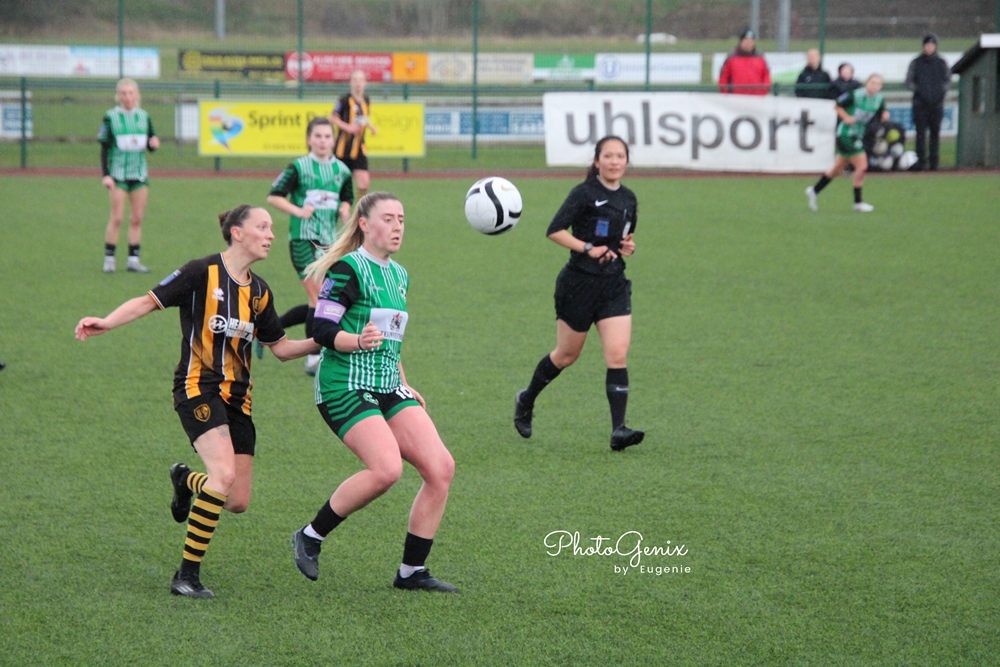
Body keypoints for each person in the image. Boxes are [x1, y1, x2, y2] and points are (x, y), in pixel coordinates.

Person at [75, 205, 320, 599]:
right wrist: (106, 321)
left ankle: (185, 479)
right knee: (222, 477)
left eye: (272, 228)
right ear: (237, 232)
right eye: (262, 227)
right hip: (197, 388)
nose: (271, 234)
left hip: (238, 400)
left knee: (236, 500)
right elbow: (147, 300)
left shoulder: (260, 292)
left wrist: (326, 340)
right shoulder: (200, 272)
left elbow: (281, 348)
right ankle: (186, 576)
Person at [291, 192, 457, 593]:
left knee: (441, 469)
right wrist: (357, 341)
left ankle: (411, 572)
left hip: (387, 384)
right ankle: (310, 536)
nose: (397, 226)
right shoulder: (347, 270)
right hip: (344, 384)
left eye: (401, 219)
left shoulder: (399, 275)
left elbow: (390, 339)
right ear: (364, 224)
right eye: (388, 218)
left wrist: (403, 380)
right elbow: (322, 330)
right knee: (387, 470)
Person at [513, 136, 643, 452]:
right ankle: (526, 398)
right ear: (597, 161)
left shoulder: (629, 198)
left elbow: (624, 238)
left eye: (620, 156)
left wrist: (626, 247)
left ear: (627, 161)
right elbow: (555, 230)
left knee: (617, 353)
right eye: (608, 156)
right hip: (578, 285)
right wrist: (587, 247)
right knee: (567, 355)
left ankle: (619, 430)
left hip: (613, 285)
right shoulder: (584, 194)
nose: (614, 161)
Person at [265, 116, 353, 376]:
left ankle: (268, 330)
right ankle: (313, 359)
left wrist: (345, 209)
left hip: (329, 243)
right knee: (319, 297)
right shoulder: (299, 167)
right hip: (303, 240)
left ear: (333, 140)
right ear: (309, 139)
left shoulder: (342, 171)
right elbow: (274, 196)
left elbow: (346, 197)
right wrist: (298, 211)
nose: (323, 141)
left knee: (323, 298)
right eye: (318, 136)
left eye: (327, 136)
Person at [98, 78, 160, 273]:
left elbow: (150, 142)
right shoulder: (110, 117)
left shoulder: (144, 116)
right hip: (118, 175)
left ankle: (133, 260)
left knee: (137, 218)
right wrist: (106, 175)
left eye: (131, 93)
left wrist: (153, 144)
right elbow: (104, 147)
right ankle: (109, 260)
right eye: (124, 93)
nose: (127, 97)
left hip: (139, 175)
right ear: (118, 96)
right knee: (117, 217)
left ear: (137, 95)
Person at [805, 74, 890, 213]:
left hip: (858, 134)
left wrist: (885, 116)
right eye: (873, 82)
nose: (875, 86)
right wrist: (846, 117)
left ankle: (814, 191)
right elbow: (837, 105)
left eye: (878, 84)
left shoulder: (879, 99)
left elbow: (882, 114)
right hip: (846, 133)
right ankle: (858, 202)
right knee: (862, 166)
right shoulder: (855, 95)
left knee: (837, 169)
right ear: (867, 83)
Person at [906, 33, 951, 171]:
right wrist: (920, 92)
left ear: (935, 46)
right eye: (927, 45)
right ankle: (920, 162)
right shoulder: (916, 62)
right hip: (920, 105)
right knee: (920, 134)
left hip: (937, 105)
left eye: (932, 45)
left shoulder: (941, 63)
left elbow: (947, 81)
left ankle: (934, 163)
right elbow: (909, 81)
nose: (929, 47)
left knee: (935, 134)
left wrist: (939, 93)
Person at [330, 70, 377, 201]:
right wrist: (348, 127)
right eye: (355, 80)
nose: (358, 83)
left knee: (364, 183)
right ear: (350, 83)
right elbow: (332, 117)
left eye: (361, 80)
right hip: (343, 149)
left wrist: (370, 126)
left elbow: (362, 117)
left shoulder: (366, 100)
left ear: (365, 83)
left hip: (359, 148)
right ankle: (337, 207)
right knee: (338, 184)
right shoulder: (344, 100)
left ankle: (359, 209)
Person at [718, 28, 771, 95]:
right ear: (741, 42)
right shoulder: (731, 58)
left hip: (757, 98)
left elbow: (766, 76)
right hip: (736, 98)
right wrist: (726, 95)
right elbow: (723, 78)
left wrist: (763, 92)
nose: (748, 44)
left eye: (751, 41)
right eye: (746, 41)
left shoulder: (760, 58)